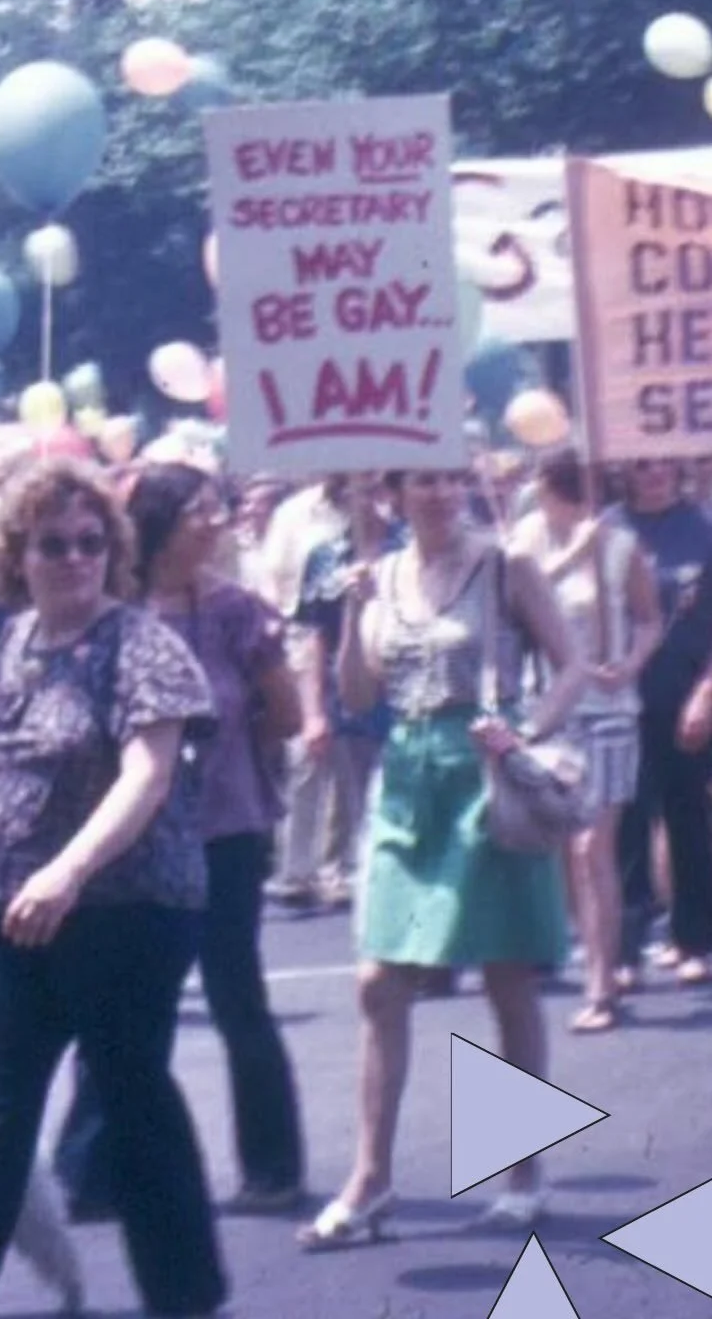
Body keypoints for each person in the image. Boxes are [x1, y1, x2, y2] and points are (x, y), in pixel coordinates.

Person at [0, 457, 228, 1319]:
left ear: (112, 549)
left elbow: (146, 777)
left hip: (126, 913)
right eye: (51, 545)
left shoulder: (143, 646)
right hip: (12, 920)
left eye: (88, 543)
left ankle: (186, 1297)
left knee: (130, 1100)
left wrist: (68, 871)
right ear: (17, 556)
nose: (74, 558)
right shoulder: (20, 642)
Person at [297, 469, 584, 1250]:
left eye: (453, 478)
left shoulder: (504, 563)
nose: (441, 493)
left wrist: (526, 732)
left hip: (485, 776)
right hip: (409, 780)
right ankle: (371, 1177)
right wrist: (355, 609)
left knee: (507, 974)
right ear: (393, 492)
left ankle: (523, 1170)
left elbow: (571, 664)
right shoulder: (381, 573)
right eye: (424, 479)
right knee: (379, 981)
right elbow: (358, 697)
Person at [54, 461, 306, 1218]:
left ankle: (273, 1168)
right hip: (129, 839)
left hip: (224, 834)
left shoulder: (237, 613)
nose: (218, 521)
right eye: (202, 509)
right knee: (119, 1002)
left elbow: (285, 715)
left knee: (238, 998)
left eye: (221, 508)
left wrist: (223, 762)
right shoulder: (105, 615)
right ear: (161, 521)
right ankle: (91, 1173)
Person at [510, 449, 661, 1032]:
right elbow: (525, 596)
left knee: (590, 846)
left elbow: (649, 617)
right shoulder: (525, 538)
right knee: (562, 848)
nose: (531, 494)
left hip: (606, 711)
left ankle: (602, 985)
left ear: (557, 488)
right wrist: (577, 550)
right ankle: (598, 950)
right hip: (548, 710)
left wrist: (631, 661)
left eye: (539, 485)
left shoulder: (619, 547)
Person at [267, 474, 403, 909]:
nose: (367, 502)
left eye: (375, 491)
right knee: (355, 800)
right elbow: (312, 635)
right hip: (346, 694)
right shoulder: (325, 558)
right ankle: (353, 877)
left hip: (407, 694)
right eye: (356, 493)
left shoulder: (410, 548)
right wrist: (312, 712)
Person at [611, 459, 712, 987]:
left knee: (688, 816)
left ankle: (694, 938)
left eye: (661, 463)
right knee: (624, 823)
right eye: (640, 464)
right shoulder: (605, 530)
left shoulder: (704, 528)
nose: (652, 473)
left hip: (685, 691)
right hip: (618, 697)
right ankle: (625, 951)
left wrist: (705, 692)